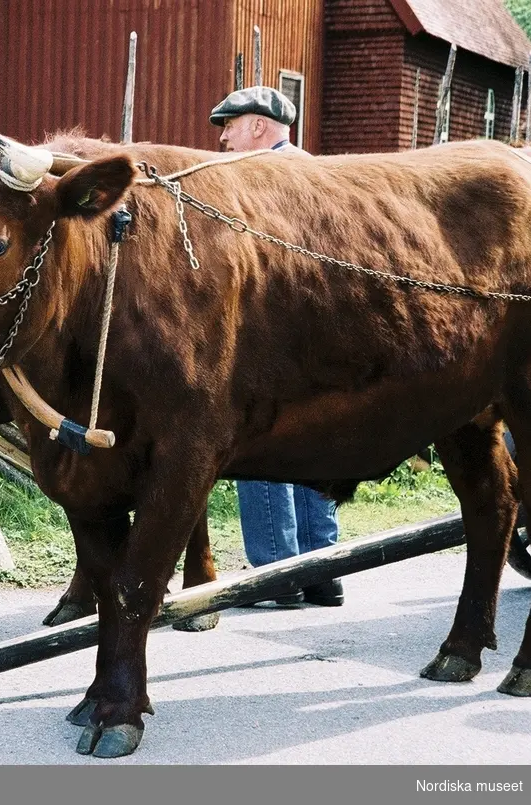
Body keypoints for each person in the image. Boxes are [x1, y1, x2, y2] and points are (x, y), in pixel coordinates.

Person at [208, 86, 344, 608]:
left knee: (258, 440)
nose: (222, 138)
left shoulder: (259, 179)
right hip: (323, 332)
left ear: (259, 127)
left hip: (274, 330)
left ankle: (276, 574)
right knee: (313, 442)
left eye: (230, 126)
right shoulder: (319, 173)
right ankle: (322, 570)